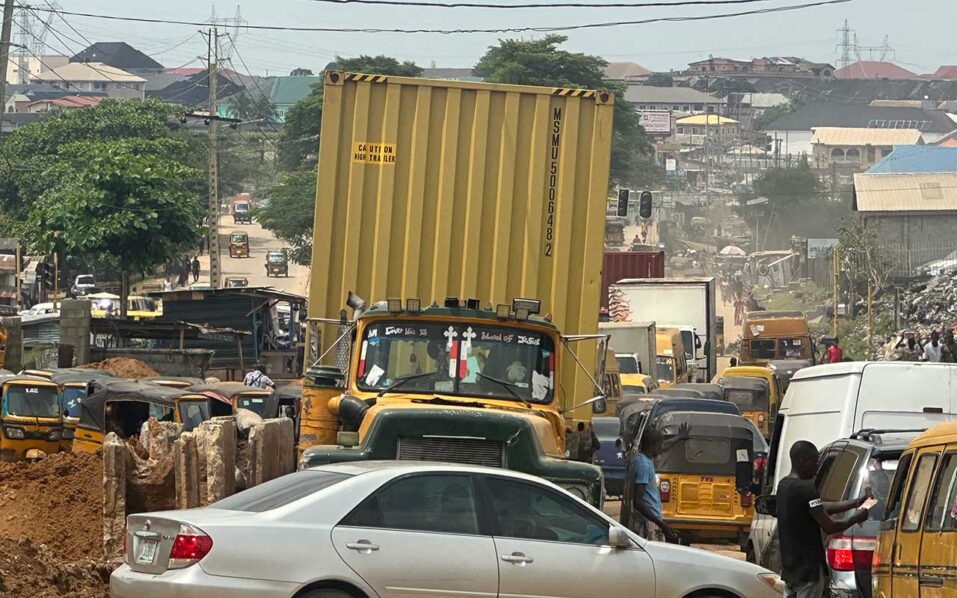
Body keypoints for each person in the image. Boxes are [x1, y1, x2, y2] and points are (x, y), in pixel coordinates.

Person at [778, 441, 871, 598]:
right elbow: (830, 526)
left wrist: (855, 502)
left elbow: (819, 507)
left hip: (790, 571)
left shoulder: (783, 486)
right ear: (801, 461)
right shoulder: (806, 489)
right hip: (809, 572)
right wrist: (856, 518)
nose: (816, 468)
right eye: (813, 463)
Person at [632, 425, 689, 543]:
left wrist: (679, 437)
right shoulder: (643, 465)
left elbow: (664, 447)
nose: (661, 447)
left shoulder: (646, 459)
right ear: (652, 445)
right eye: (659, 444)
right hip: (647, 523)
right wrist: (661, 524)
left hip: (651, 520)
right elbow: (638, 501)